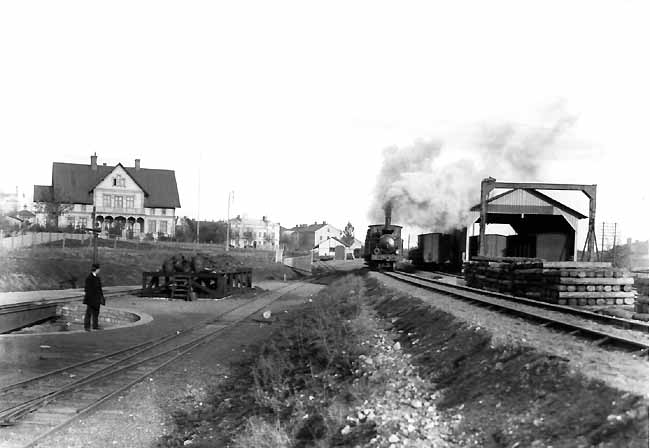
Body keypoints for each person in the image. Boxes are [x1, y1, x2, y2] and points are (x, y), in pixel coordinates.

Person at [83, 263, 105, 331]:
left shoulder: (97, 278)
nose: (99, 270)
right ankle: (87, 327)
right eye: (99, 269)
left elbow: (99, 289)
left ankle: (95, 326)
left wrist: (102, 297)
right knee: (88, 313)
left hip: (97, 298)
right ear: (96, 269)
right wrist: (91, 297)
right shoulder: (89, 278)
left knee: (96, 313)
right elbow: (87, 289)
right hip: (91, 299)